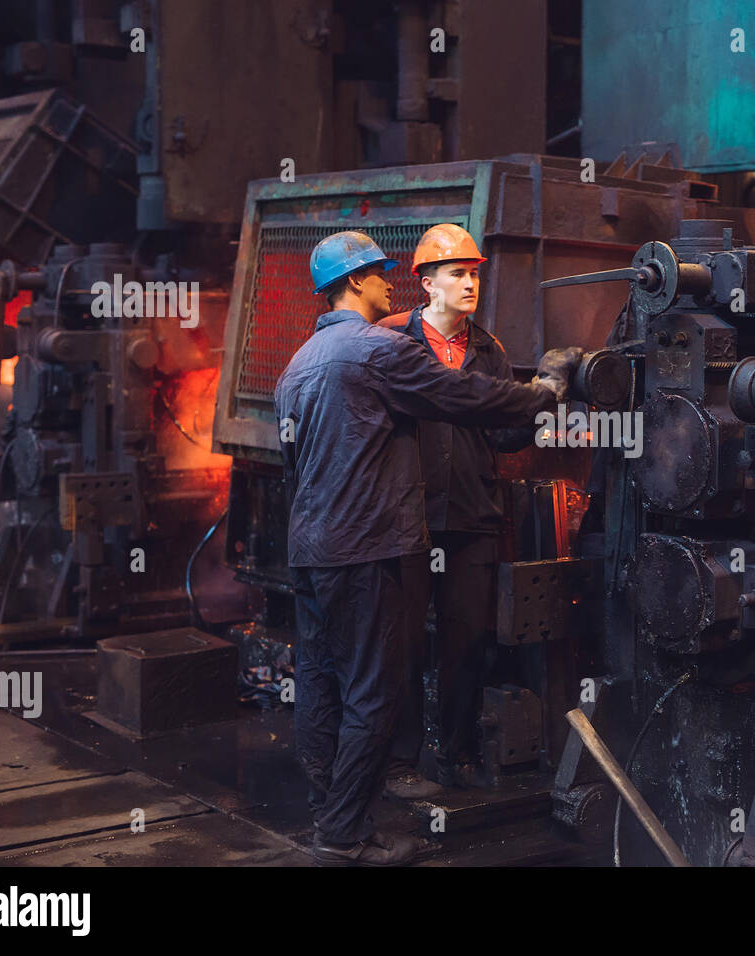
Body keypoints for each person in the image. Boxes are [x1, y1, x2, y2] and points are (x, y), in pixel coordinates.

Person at [273, 230, 580, 865]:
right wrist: (546, 390)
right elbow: (464, 396)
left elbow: (292, 464)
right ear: (355, 282)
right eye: (383, 274)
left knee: (322, 685)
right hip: (369, 551)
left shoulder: (296, 365)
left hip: (310, 548)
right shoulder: (378, 350)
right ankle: (345, 835)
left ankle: (327, 815)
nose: (392, 283)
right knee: (373, 692)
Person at [379, 223, 530, 790]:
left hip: (471, 517)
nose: (470, 284)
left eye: (474, 274)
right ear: (426, 281)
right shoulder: (393, 342)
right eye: (457, 274)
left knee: (466, 644)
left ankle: (457, 754)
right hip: (407, 518)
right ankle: (399, 761)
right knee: (405, 645)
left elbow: (505, 437)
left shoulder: (489, 350)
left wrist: (536, 414)